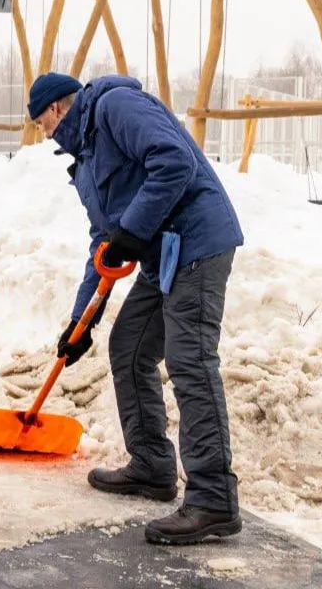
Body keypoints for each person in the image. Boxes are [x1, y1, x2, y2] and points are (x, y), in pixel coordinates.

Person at [26, 72, 245, 546]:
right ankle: (152, 465)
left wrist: (133, 228)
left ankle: (213, 499)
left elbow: (174, 161)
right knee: (128, 348)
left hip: (198, 240)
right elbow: (104, 244)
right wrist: (80, 321)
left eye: (44, 123)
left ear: (60, 109)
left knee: (190, 362)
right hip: (159, 253)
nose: (45, 135)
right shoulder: (84, 162)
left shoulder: (116, 107)